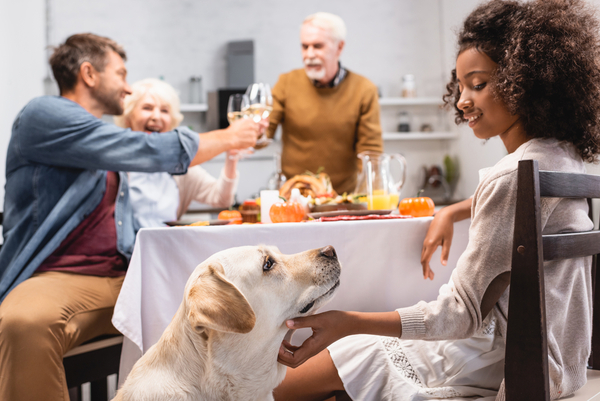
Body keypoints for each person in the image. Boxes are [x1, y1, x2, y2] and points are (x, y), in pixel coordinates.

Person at [273, 0, 600, 400]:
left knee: (332, 360)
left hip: (509, 362)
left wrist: (348, 321)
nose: (462, 101)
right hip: (562, 363)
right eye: (460, 85)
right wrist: (456, 209)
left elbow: (459, 314)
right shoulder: (561, 158)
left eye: (478, 84)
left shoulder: (511, 176)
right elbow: (512, 203)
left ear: (524, 80)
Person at [0, 33, 262, 401]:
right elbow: (146, 149)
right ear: (89, 74)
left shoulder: (98, 136)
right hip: (60, 275)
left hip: (127, 272)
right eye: (120, 74)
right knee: (23, 322)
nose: (127, 87)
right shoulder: (43, 116)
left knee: (232, 301)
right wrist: (229, 137)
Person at [266, 12, 383, 195]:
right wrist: (248, 134)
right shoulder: (286, 83)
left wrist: (372, 194)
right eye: (304, 47)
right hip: (294, 197)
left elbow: (370, 152)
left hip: (342, 198)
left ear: (339, 47)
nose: (309, 54)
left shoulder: (364, 89)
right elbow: (264, 132)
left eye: (317, 46)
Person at [114, 78, 238, 228]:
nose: (156, 116)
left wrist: (231, 157)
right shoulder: (115, 161)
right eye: (147, 108)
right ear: (128, 118)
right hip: (128, 250)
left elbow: (221, 198)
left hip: (168, 247)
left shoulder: (179, 165)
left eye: (164, 110)